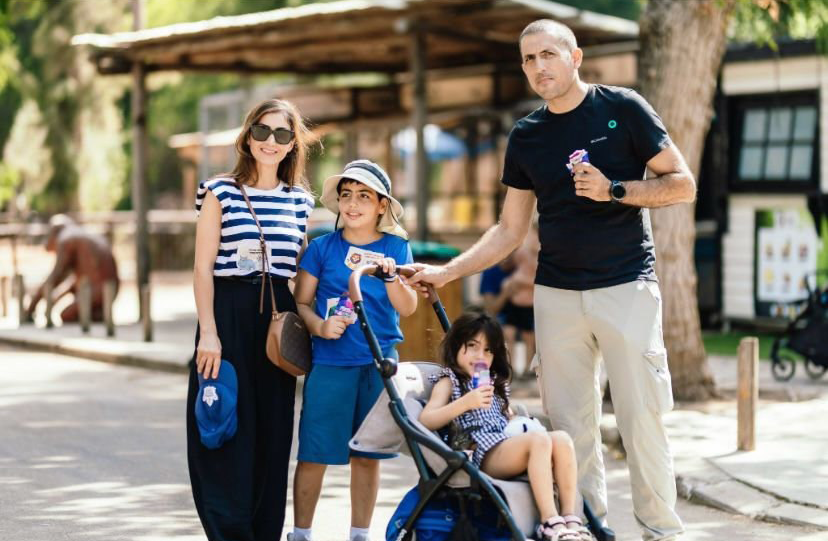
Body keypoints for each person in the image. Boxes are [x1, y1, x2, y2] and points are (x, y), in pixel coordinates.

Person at [410, 18, 696, 541]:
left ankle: (661, 532)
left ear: (575, 57)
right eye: (528, 59)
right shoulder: (527, 135)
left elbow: (681, 184)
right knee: (569, 430)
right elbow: (509, 229)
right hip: (557, 294)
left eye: (548, 55)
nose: (539, 67)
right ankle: (586, 528)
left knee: (642, 421)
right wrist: (446, 271)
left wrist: (615, 190)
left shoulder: (622, 108)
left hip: (626, 286)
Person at [187, 98, 314, 541]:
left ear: (292, 143)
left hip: (279, 319)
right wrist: (209, 333)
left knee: (273, 432)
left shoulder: (301, 201)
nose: (270, 142)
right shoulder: (218, 191)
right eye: (263, 131)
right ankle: (228, 532)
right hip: (227, 315)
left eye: (282, 134)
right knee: (222, 424)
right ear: (247, 136)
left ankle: (264, 532)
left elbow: (301, 274)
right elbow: (203, 268)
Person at [290, 160, 418, 541]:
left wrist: (393, 275)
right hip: (330, 364)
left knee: (368, 456)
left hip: (380, 366)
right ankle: (300, 533)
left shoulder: (397, 247)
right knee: (315, 453)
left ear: (382, 205)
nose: (353, 203)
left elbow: (408, 307)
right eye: (346, 195)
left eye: (364, 196)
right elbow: (301, 304)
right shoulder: (322, 248)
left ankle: (360, 534)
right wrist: (320, 326)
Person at [419, 311, 592, 541]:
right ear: (456, 345)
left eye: (488, 350)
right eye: (472, 346)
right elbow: (426, 420)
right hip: (481, 452)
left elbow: (506, 419)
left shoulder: (493, 383)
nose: (480, 355)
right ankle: (549, 521)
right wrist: (464, 403)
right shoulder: (450, 381)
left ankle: (570, 518)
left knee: (561, 438)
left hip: (504, 444)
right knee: (539, 441)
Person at [25, 214, 119, 323]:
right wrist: (57, 297)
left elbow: (55, 276)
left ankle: (95, 316)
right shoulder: (80, 234)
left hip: (97, 290)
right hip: (111, 288)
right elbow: (81, 280)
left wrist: (32, 306)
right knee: (79, 312)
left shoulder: (66, 238)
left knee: (66, 315)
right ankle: (97, 314)